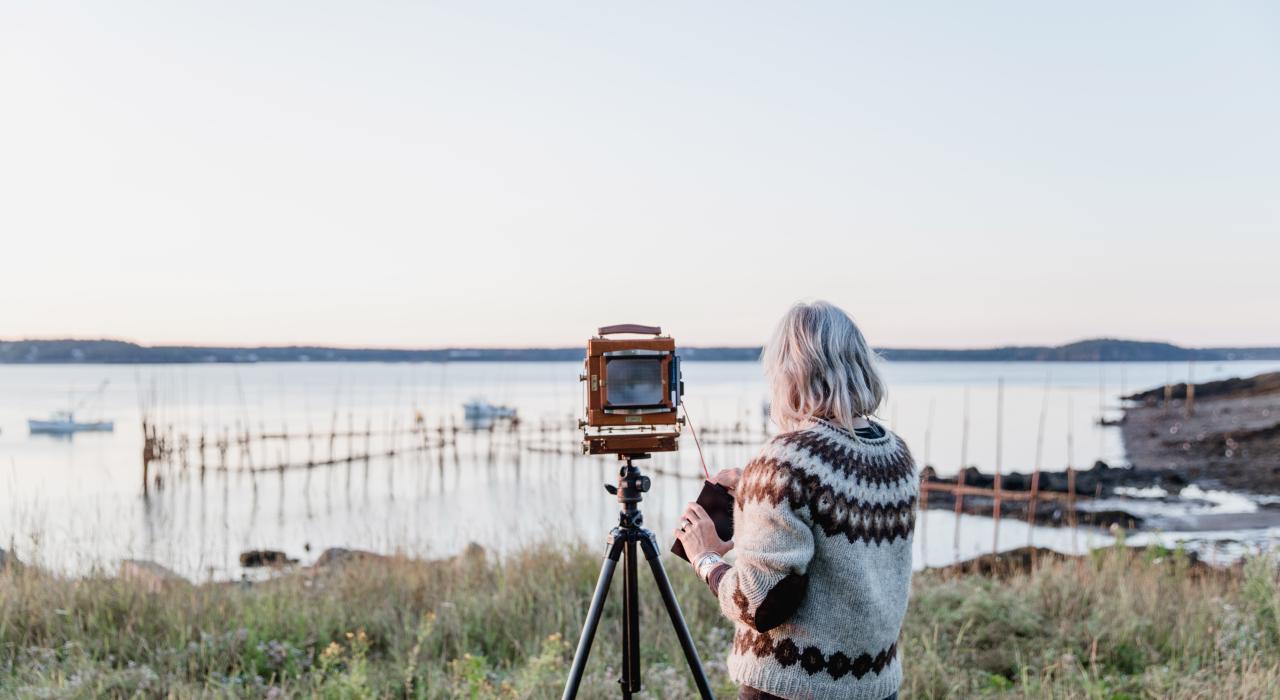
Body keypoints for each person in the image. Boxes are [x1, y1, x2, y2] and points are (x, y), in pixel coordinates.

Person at [674, 301, 917, 700]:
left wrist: (705, 559)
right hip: (875, 684)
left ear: (789, 371)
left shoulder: (785, 460)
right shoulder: (898, 457)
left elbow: (758, 603)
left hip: (792, 687)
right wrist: (755, 493)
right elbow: (837, 520)